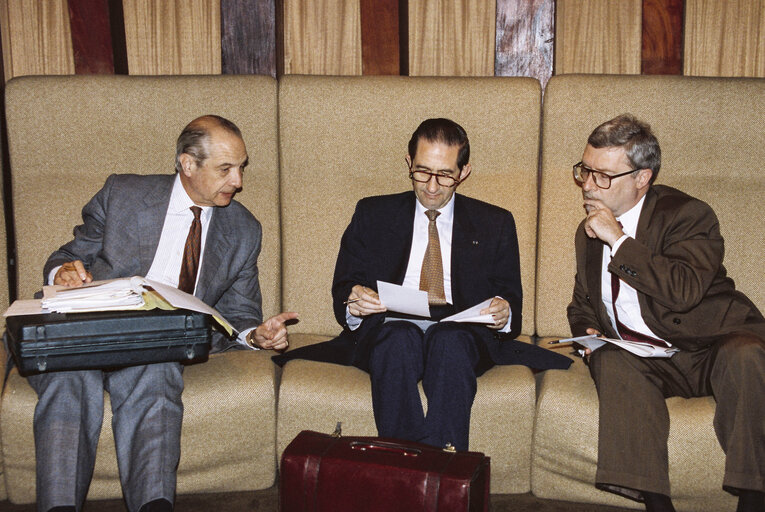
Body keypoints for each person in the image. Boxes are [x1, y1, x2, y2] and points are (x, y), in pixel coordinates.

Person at [29, 115, 297, 512]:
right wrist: (63, 271)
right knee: (68, 378)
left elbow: (240, 311)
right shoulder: (123, 194)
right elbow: (67, 256)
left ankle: (154, 505)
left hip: (156, 344)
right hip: (88, 332)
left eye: (241, 167)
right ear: (188, 164)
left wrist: (255, 335)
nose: (238, 181)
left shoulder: (243, 229)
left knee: (157, 373)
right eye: (225, 169)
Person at [274, 118, 571, 451]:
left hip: (462, 330)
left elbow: (510, 298)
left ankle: (418, 475)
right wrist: (354, 302)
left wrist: (503, 312)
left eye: (444, 174)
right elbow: (345, 285)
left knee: (449, 342)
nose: (431, 186)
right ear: (408, 163)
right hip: (390, 325)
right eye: (421, 171)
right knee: (397, 339)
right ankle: (431, 474)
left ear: (464, 171)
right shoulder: (373, 213)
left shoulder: (495, 222)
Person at [567, 114, 765, 512]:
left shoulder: (688, 216)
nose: (588, 184)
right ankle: (655, 502)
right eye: (584, 171)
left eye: (603, 176)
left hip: (711, 346)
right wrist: (588, 332)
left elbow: (684, 291)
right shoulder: (587, 230)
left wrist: (619, 241)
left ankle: (754, 495)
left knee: (746, 355)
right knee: (612, 361)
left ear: (643, 178)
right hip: (646, 358)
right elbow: (582, 302)